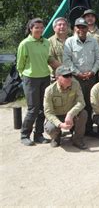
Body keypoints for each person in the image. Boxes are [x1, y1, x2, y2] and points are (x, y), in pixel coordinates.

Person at [17, 18, 54, 146]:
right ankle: (24, 135)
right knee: (33, 108)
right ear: (31, 28)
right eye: (36, 27)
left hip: (45, 77)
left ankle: (38, 135)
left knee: (43, 109)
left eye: (41, 27)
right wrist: (25, 77)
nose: (39, 30)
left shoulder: (46, 42)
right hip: (30, 79)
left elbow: (48, 58)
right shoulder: (25, 44)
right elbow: (20, 65)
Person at [63, 17, 99, 136]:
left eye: (84, 27)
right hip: (75, 78)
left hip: (91, 77)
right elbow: (67, 60)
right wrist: (77, 72)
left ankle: (88, 129)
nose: (81, 29)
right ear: (75, 28)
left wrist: (93, 71)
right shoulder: (69, 42)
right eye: (79, 27)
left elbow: (98, 58)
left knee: (89, 103)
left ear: (87, 28)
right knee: (76, 103)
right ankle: (75, 129)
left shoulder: (93, 41)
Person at [44, 66, 88, 149]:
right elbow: (48, 112)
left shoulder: (76, 84)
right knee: (50, 128)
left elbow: (81, 102)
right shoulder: (50, 90)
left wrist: (71, 113)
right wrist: (60, 124)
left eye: (70, 75)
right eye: (66, 76)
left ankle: (77, 139)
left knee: (83, 113)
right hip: (57, 116)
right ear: (57, 78)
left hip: (71, 115)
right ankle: (56, 138)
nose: (69, 78)